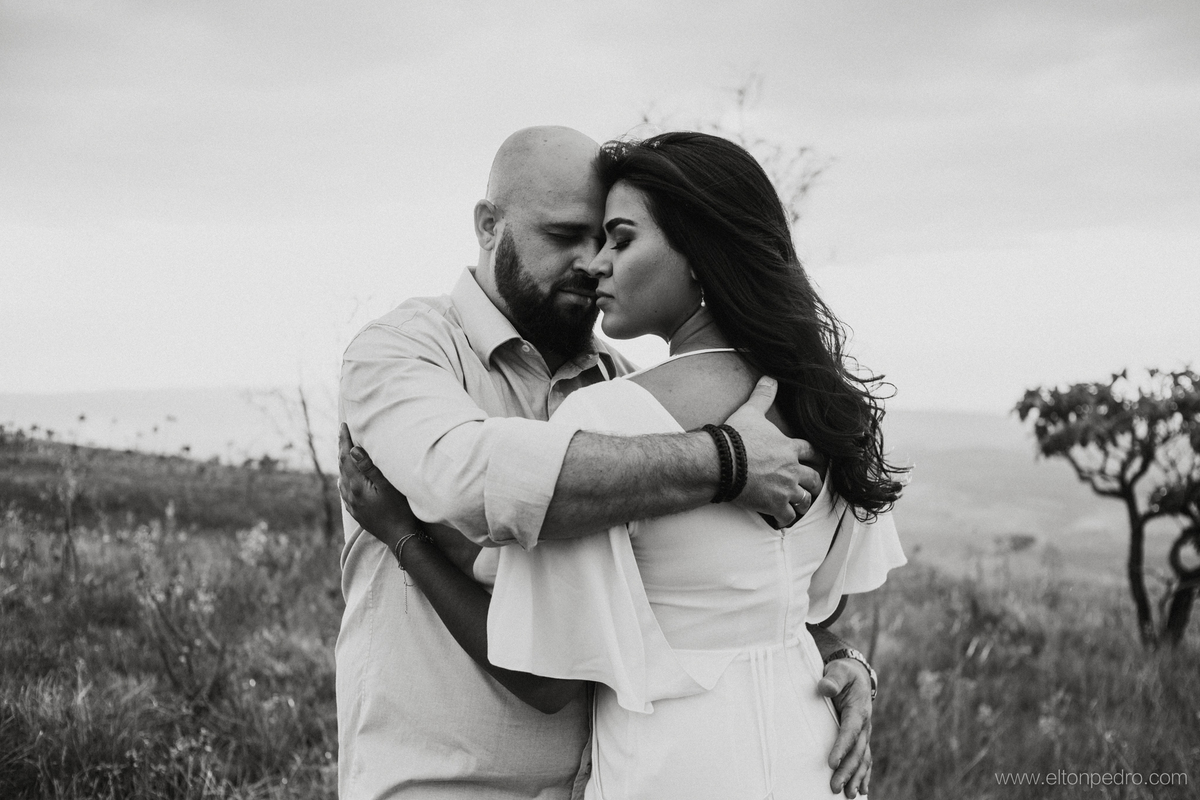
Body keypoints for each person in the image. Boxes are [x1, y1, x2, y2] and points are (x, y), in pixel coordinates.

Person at [336, 126, 878, 800]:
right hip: (448, 782)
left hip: (627, 773)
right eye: (566, 235)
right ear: (488, 226)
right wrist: (725, 459)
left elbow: (746, 592)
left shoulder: (617, 389)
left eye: (611, 238)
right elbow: (467, 478)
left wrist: (839, 659)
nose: (592, 262)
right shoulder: (403, 350)